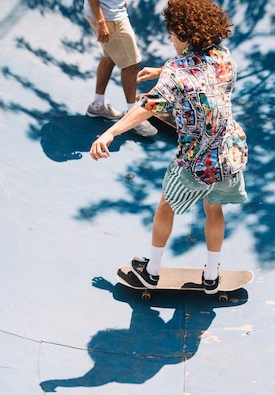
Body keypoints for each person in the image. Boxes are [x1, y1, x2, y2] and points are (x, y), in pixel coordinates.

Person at [89, 0, 248, 294]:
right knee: (214, 210)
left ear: (186, 35)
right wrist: (161, 71)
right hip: (228, 154)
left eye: (173, 34)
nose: (170, 39)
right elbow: (200, 70)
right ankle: (211, 277)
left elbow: (148, 106)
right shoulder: (225, 58)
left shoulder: (176, 71)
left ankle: (151, 272)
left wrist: (111, 132)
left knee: (166, 205)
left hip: (195, 160)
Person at [83, 0, 157, 137]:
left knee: (110, 56)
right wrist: (101, 22)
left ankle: (97, 105)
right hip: (109, 18)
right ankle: (133, 115)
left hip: (109, 13)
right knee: (131, 63)